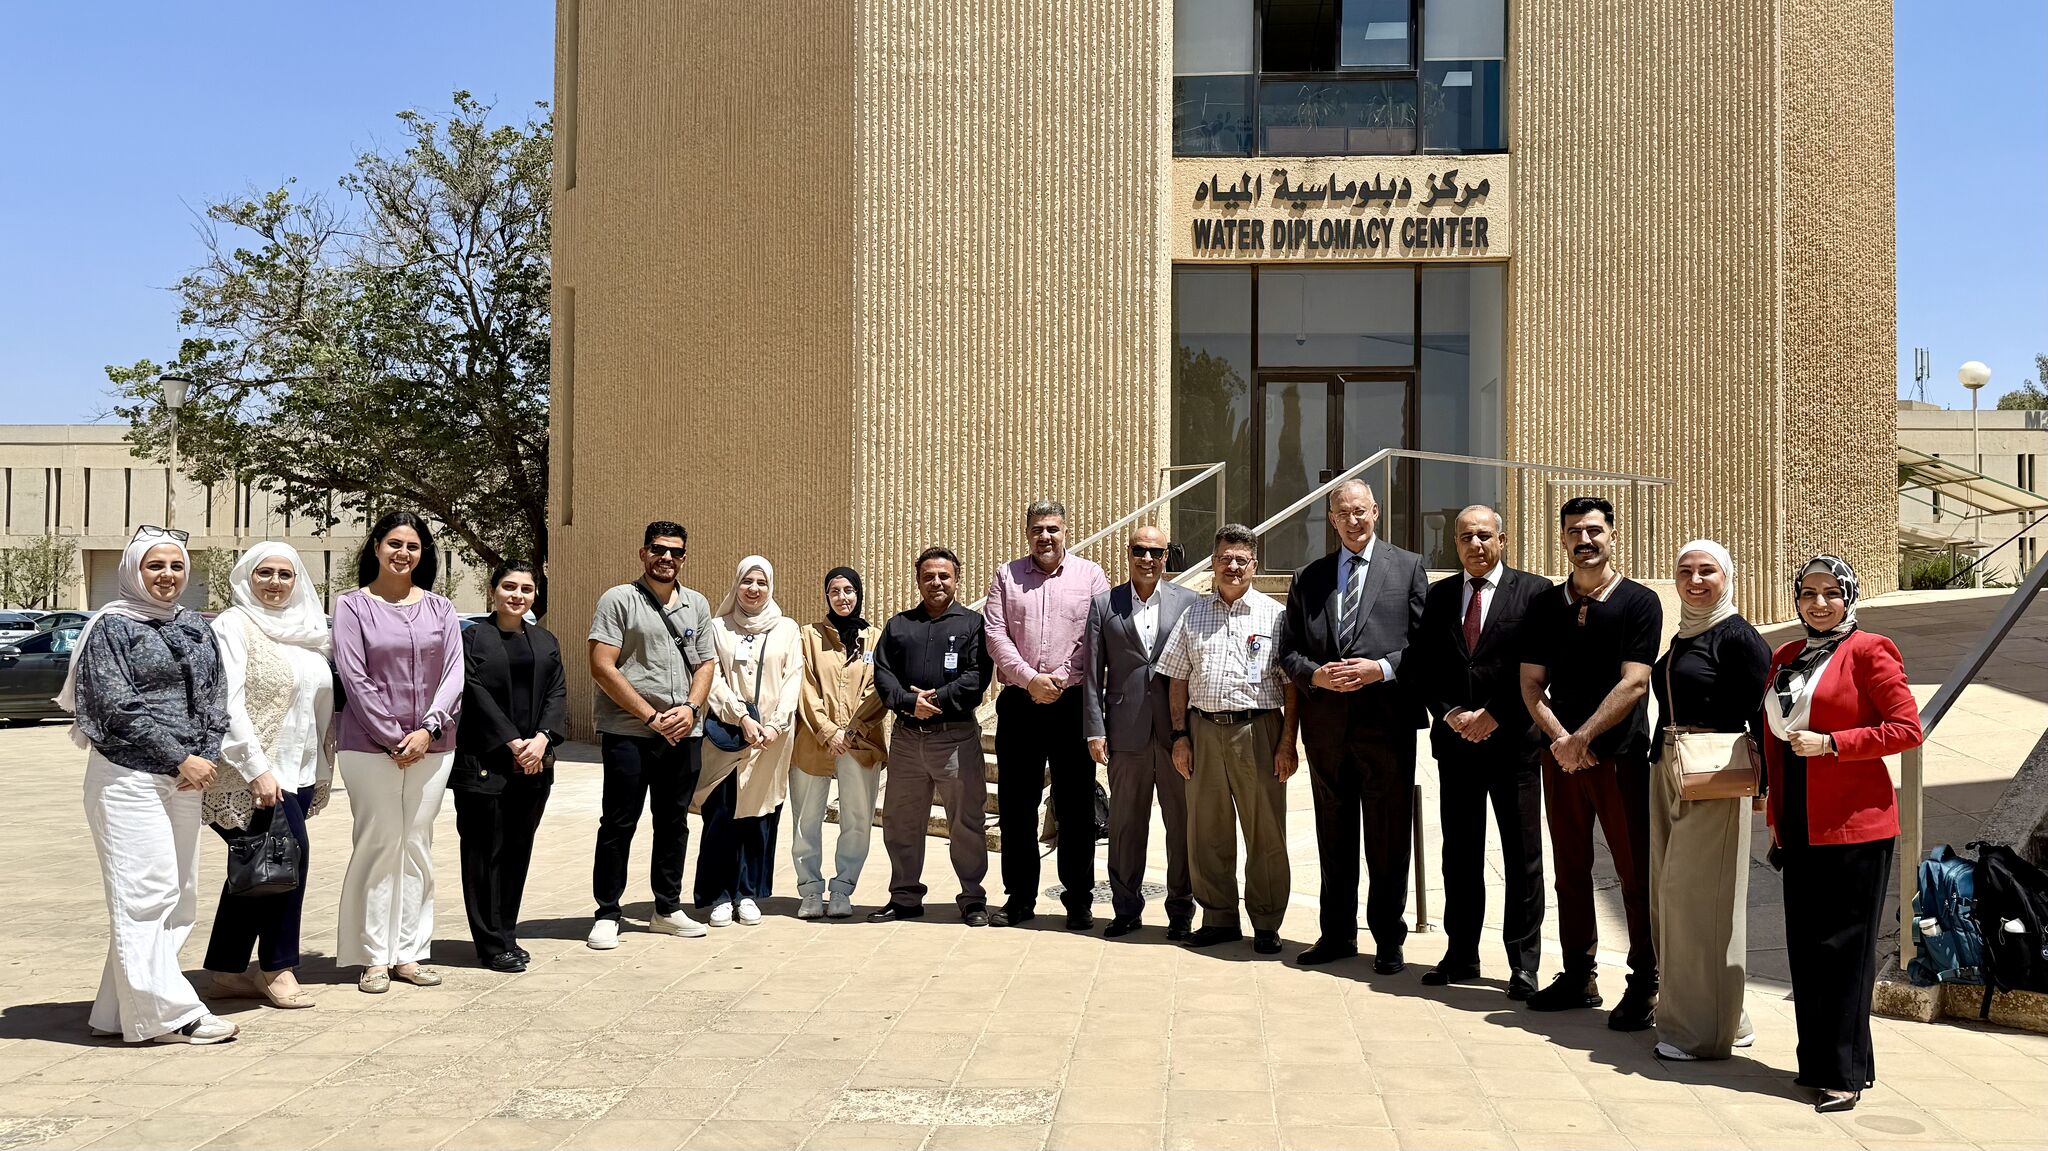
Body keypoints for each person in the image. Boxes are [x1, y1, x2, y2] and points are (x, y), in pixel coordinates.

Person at [60, 527, 237, 1044]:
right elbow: (115, 705)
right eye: (155, 565)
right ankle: (169, 1014)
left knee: (179, 896)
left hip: (185, 778)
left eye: (176, 566)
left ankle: (118, 1012)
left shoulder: (194, 625)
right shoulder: (110, 627)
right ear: (133, 570)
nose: (167, 575)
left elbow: (216, 695)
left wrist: (202, 756)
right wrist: (178, 756)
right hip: (128, 774)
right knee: (145, 892)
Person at [1762, 555, 1919, 1113]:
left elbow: (1907, 728)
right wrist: (1775, 815)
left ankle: (1846, 1074)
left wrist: (1833, 744)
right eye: (1808, 592)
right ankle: (1817, 1064)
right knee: (1806, 949)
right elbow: (1775, 739)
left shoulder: (1870, 650)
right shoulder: (1785, 655)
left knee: (1845, 953)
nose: (1819, 603)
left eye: (1832, 592)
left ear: (1849, 597)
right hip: (1799, 819)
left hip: (1856, 824)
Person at [1518, 496, 1662, 1029]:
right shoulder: (1544, 606)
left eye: (1595, 530)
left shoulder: (1640, 602)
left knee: (1634, 873)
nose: (1585, 540)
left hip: (1620, 759)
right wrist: (1562, 740)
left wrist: (1582, 738)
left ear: (1612, 536)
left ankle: (1645, 982)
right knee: (1570, 871)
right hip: (1559, 759)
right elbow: (1530, 683)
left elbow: (1635, 682)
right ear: (1562, 539)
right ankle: (1579, 975)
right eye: (1575, 531)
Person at [1277, 480, 1427, 972]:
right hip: (1327, 730)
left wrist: (1380, 669)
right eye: (1343, 513)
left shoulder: (1408, 567)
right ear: (1332, 519)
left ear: (1375, 512)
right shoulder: (1309, 577)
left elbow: (1425, 647)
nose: (1353, 520)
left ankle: (1388, 938)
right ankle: (1337, 934)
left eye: (1360, 511)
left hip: (1387, 727)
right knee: (1333, 834)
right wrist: (1315, 674)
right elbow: (1288, 651)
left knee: (1388, 837)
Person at [1411, 506, 1549, 997]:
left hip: (1514, 747)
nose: (1476, 545)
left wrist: (1495, 714)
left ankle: (1524, 963)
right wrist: (1449, 712)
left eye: (1485, 536)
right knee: (1460, 854)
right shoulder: (1440, 595)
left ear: (1502, 540)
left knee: (1522, 857)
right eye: (1466, 537)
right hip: (1457, 747)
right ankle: (1461, 953)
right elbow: (1424, 665)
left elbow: (1540, 667)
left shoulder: (1533, 593)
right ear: (1455, 543)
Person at [334, 510, 464, 994]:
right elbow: (354, 676)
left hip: (434, 745)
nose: (403, 553)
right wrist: (393, 736)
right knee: (379, 842)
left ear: (422, 553)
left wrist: (428, 729)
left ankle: (409, 952)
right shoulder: (352, 607)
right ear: (376, 547)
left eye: (412, 546)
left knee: (416, 844)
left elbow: (454, 673)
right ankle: (372, 957)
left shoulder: (441, 608)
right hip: (369, 747)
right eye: (394, 543)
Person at [1650, 540, 1771, 1061]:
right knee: (1669, 899)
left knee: (1696, 901)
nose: (1695, 581)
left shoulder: (1737, 636)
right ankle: (1729, 1015)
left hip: (1714, 773)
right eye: (1685, 571)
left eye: (1707, 571)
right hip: (1671, 765)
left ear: (1728, 577)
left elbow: (1765, 714)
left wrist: (1764, 787)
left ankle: (1698, 1034)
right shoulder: (1686, 632)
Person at [201, 542, 334, 1010]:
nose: (275, 583)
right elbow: (227, 702)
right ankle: (278, 967)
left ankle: (226, 970)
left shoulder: (308, 631)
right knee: (288, 858)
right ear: (246, 577)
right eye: (264, 573)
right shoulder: (233, 625)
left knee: (259, 865)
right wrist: (256, 768)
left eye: (285, 574)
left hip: (299, 769)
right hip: (250, 773)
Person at [1159, 524, 1301, 956]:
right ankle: (1219, 917)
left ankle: (1266, 921)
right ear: (1213, 562)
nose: (1232, 566)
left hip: (1258, 730)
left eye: (1241, 560)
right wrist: (1180, 736)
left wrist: (1287, 743)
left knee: (1265, 831)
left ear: (1254, 565)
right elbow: (1177, 679)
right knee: (1207, 830)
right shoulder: (1193, 615)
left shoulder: (1275, 616)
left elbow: (1291, 685)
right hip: (1203, 731)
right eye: (1225, 558)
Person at [586, 521, 717, 949]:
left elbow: (705, 664)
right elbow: (601, 665)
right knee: (619, 821)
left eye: (675, 552)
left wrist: (690, 709)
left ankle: (667, 908)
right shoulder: (618, 599)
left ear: (684, 558)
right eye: (659, 549)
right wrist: (651, 716)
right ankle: (608, 912)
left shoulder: (696, 604)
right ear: (643, 553)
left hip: (683, 732)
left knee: (673, 822)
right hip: (629, 731)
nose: (667, 558)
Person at [983, 500, 1111, 929]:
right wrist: (1029, 679)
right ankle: (1020, 898)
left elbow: (1095, 635)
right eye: (1037, 529)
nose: (1045, 537)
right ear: (1027, 533)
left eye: (1052, 529)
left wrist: (1058, 678)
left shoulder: (1090, 576)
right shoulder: (1006, 576)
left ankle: (1078, 901)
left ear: (1065, 531)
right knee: (1017, 806)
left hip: (1072, 703)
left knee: (1076, 806)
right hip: (1020, 703)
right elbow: (995, 634)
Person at [1083, 524, 1198, 939]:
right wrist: (1095, 729)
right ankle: (1126, 909)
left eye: (1155, 552)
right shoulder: (1104, 604)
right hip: (1125, 732)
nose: (1147, 559)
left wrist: (1193, 730)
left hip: (1176, 734)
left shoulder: (1188, 602)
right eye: (1139, 550)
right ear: (1128, 553)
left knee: (1181, 826)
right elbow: (1092, 672)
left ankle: (1181, 912)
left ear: (1167, 556)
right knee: (1126, 826)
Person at [869, 547, 994, 924]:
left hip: (955, 738)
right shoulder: (899, 625)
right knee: (901, 821)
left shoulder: (973, 625)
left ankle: (972, 898)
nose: (936, 582)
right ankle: (905, 896)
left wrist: (935, 699)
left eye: (944, 576)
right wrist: (910, 702)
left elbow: (977, 677)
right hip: (907, 739)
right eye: (928, 576)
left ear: (957, 579)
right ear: (918, 580)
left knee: (966, 821)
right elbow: (883, 675)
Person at [453, 562, 566, 973]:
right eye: (509, 586)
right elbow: (472, 692)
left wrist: (542, 738)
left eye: (526, 589)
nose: (517, 595)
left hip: (533, 764)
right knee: (483, 855)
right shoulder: (470, 639)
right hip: (486, 763)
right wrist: (512, 740)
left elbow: (557, 692)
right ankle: (489, 943)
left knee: (517, 852)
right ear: (493, 590)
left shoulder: (545, 640)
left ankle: (506, 934)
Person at [694, 556, 804, 925]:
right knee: (721, 813)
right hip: (728, 735)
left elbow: (793, 679)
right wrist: (740, 717)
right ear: (736, 584)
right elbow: (711, 678)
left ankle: (747, 893)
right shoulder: (717, 628)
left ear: (770, 586)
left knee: (758, 816)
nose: (753, 589)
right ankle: (720, 895)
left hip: (771, 739)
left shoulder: (787, 629)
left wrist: (775, 724)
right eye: (747, 581)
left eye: (761, 582)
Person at [792, 567, 886, 920]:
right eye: (834, 591)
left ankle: (843, 889)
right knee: (805, 819)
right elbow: (803, 686)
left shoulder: (874, 639)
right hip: (814, 741)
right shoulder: (807, 636)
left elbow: (879, 688)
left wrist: (851, 731)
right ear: (826, 596)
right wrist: (827, 730)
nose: (842, 597)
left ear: (858, 594)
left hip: (860, 744)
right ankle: (810, 891)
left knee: (858, 819)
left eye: (849, 590)